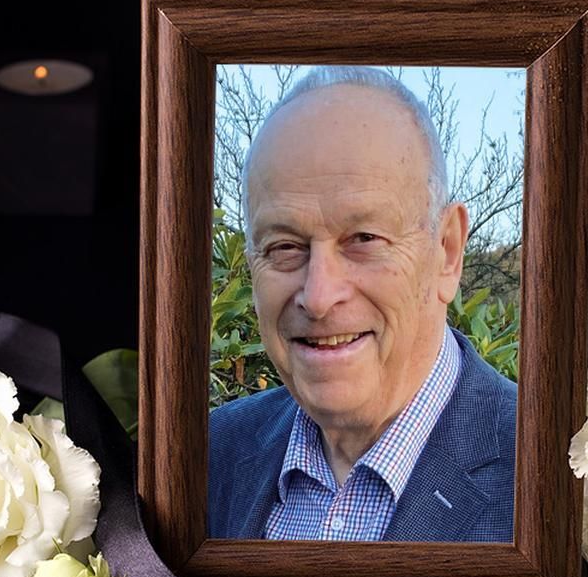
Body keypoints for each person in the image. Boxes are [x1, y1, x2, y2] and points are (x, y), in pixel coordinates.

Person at [207, 66, 516, 542]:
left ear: (447, 251)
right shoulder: (212, 457)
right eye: (285, 246)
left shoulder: (557, 473)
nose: (318, 296)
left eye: (364, 238)